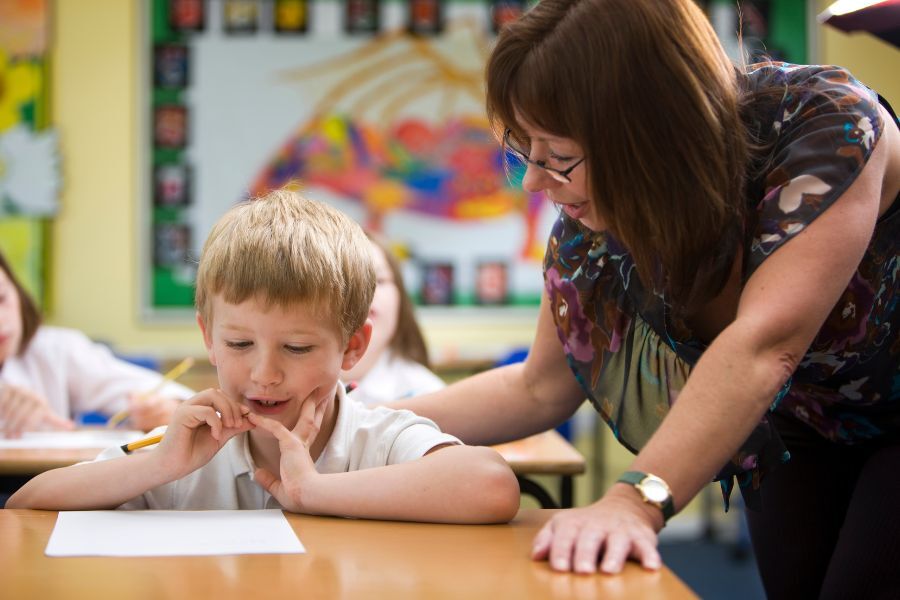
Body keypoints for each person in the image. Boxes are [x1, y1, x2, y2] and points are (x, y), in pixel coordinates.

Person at [388, 0, 900, 595]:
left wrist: (634, 501)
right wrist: (358, 424)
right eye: (524, 152)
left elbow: (765, 344)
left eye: (558, 157)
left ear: (649, 129)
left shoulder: (825, 119)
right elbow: (539, 386)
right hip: (806, 419)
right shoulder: (596, 227)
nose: (533, 182)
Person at [8, 190, 520, 524]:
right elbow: (27, 505)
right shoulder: (185, 450)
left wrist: (313, 493)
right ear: (208, 336)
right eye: (238, 345)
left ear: (353, 347)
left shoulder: (378, 436)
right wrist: (158, 465)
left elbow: (492, 486)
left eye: (297, 348)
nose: (264, 374)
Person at [0, 250, 193, 436]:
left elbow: (156, 393)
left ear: (17, 290)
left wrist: (164, 409)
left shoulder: (53, 350)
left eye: (2, 298)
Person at [340, 233, 445, 405]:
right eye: (347, 281)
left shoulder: (427, 393)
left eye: (379, 280)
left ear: (400, 298)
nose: (364, 292)